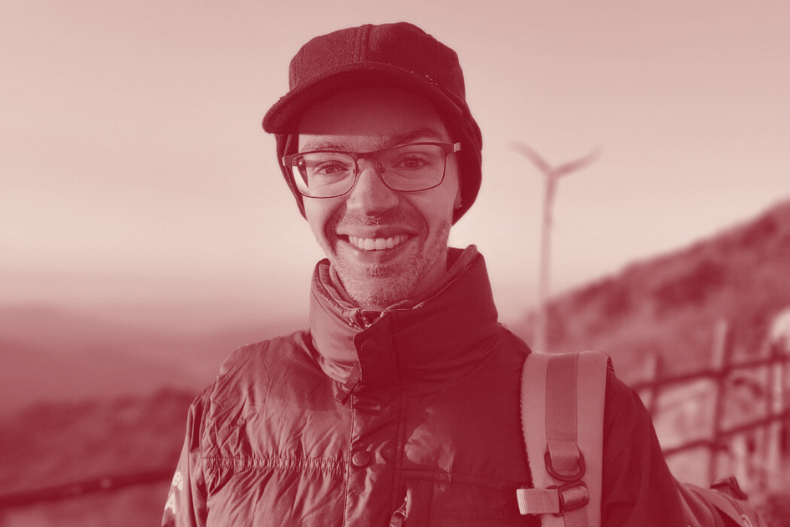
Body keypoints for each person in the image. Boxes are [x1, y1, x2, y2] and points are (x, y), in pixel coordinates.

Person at [162, 22, 686, 526]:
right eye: (328, 164)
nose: (369, 200)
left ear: (462, 182)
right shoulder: (230, 405)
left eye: (411, 160)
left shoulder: (595, 420)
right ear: (300, 186)